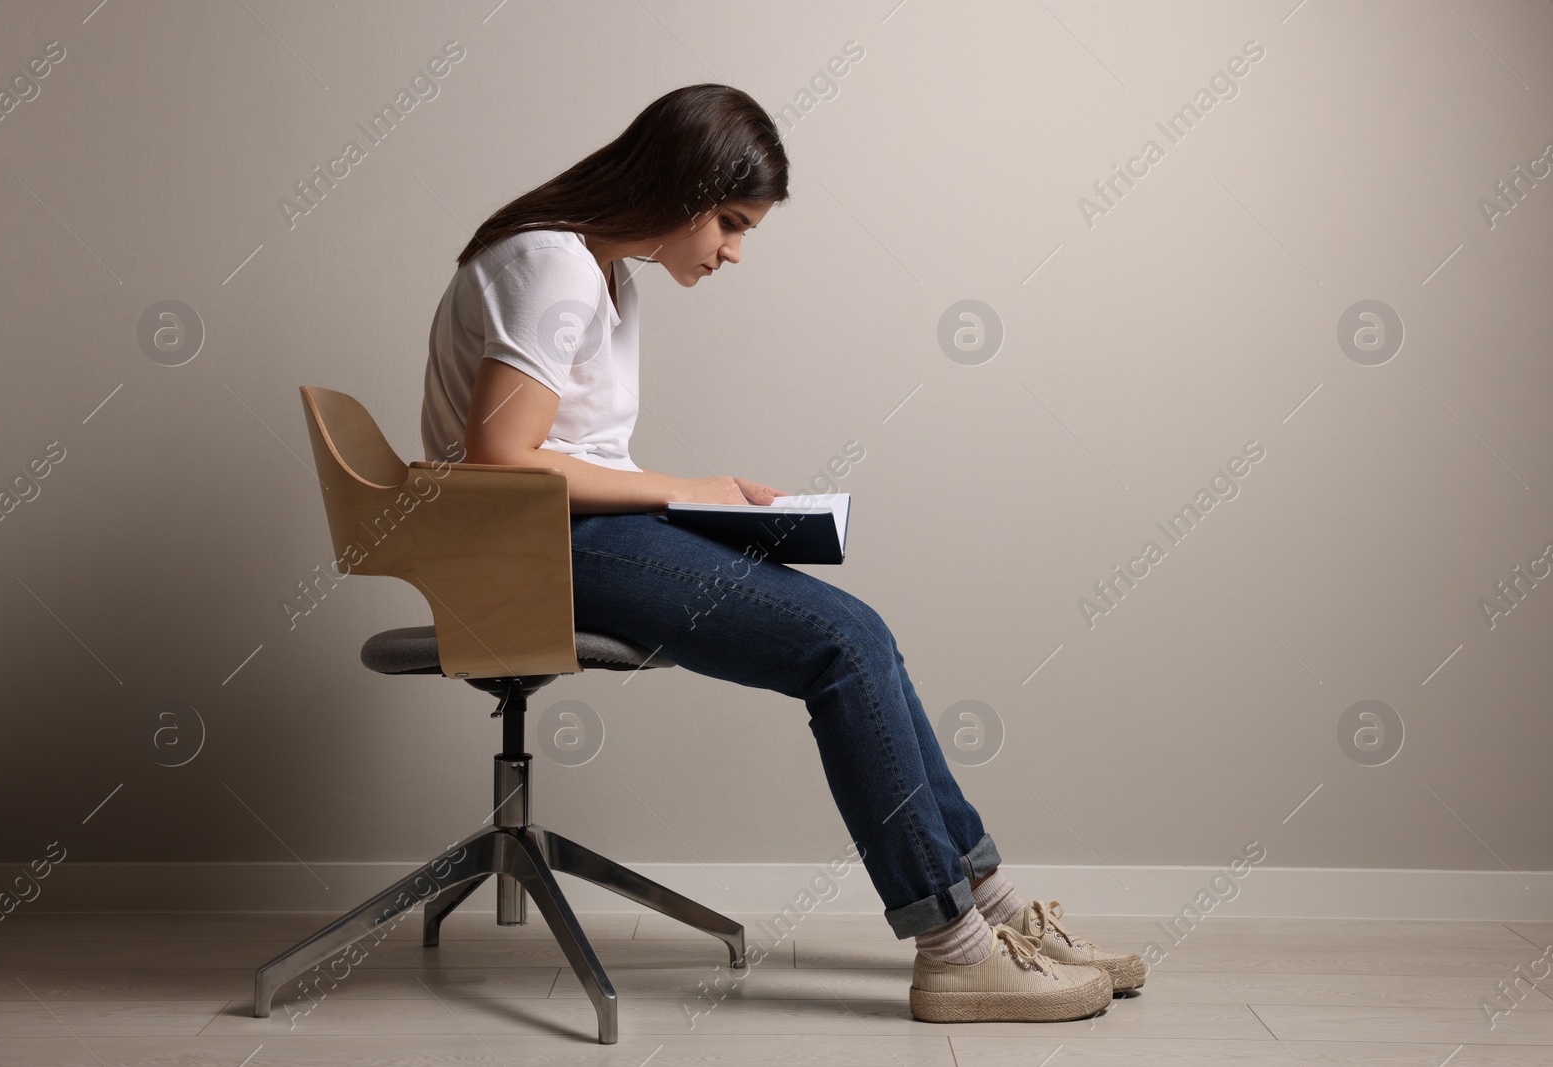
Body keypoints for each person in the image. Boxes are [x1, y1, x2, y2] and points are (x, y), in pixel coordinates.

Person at [419, 83, 1145, 1024]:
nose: (731, 250)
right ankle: (956, 948)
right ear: (676, 187)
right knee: (842, 644)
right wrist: (690, 492)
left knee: (860, 634)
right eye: (728, 221)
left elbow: (572, 458)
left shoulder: (603, 273)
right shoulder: (555, 263)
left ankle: (994, 914)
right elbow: (502, 459)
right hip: (520, 553)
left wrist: (697, 504)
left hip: (565, 536)